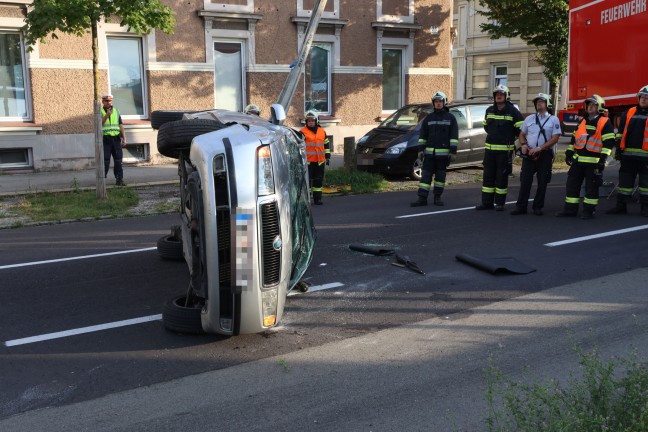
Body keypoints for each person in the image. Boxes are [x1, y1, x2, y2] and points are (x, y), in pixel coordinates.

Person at [556, 94, 615, 219]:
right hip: (578, 161)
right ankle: (570, 210)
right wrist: (569, 153)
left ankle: (588, 211)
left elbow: (608, 143)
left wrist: (603, 160)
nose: (590, 107)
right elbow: (574, 139)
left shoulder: (605, 122)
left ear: (599, 107)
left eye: (593, 105)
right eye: (589, 105)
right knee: (572, 186)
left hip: (594, 162)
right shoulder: (582, 121)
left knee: (591, 188)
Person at [510, 93, 562, 216]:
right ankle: (521, 206)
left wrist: (540, 148)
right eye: (537, 102)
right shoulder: (529, 119)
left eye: (542, 101)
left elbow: (555, 138)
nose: (539, 103)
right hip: (529, 154)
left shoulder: (554, 120)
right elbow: (522, 134)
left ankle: (537, 207)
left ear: (547, 104)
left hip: (544, 154)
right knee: (525, 181)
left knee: (542, 181)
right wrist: (523, 144)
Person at [476, 85, 524, 211]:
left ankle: (500, 203)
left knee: (501, 177)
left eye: (501, 94)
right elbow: (486, 127)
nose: (499, 96)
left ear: (506, 96)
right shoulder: (489, 110)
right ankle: (486, 203)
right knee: (488, 177)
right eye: (496, 94)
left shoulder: (513, 111)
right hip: (490, 151)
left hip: (504, 152)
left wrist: (517, 144)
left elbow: (522, 130)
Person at [605, 85, 648, 216]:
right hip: (628, 155)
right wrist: (618, 149)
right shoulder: (628, 112)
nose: (644, 99)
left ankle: (645, 208)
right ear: (638, 97)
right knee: (624, 183)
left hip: (646, 157)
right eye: (642, 96)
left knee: (645, 185)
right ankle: (621, 206)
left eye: (647, 97)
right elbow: (620, 133)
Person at [411, 91, 458, 207]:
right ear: (433, 103)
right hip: (429, 155)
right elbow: (423, 136)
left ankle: (437, 197)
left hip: (443, 156)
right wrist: (421, 150)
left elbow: (454, 137)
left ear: (444, 102)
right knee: (425, 177)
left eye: (440, 101)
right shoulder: (428, 118)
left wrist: (453, 152)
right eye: (436, 101)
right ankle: (422, 198)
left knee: (440, 178)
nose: (438, 104)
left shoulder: (451, 118)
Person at [301, 111, 330, 205]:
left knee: (318, 180)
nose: (311, 122)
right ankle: (307, 200)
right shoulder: (302, 132)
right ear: (306, 122)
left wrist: (328, 156)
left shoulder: (322, 131)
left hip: (320, 161)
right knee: (308, 182)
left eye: (312, 120)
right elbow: (299, 146)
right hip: (308, 162)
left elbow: (326, 144)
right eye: (309, 121)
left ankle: (317, 199)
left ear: (316, 121)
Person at [101, 94, 126, 186]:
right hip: (105, 139)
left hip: (116, 139)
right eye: (106, 101)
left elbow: (121, 125)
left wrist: (124, 138)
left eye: (110, 101)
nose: (108, 102)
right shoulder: (99, 111)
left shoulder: (116, 111)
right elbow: (99, 124)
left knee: (118, 161)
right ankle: (102, 180)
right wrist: (107, 115)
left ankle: (119, 179)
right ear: (103, 102)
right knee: (105, 161)